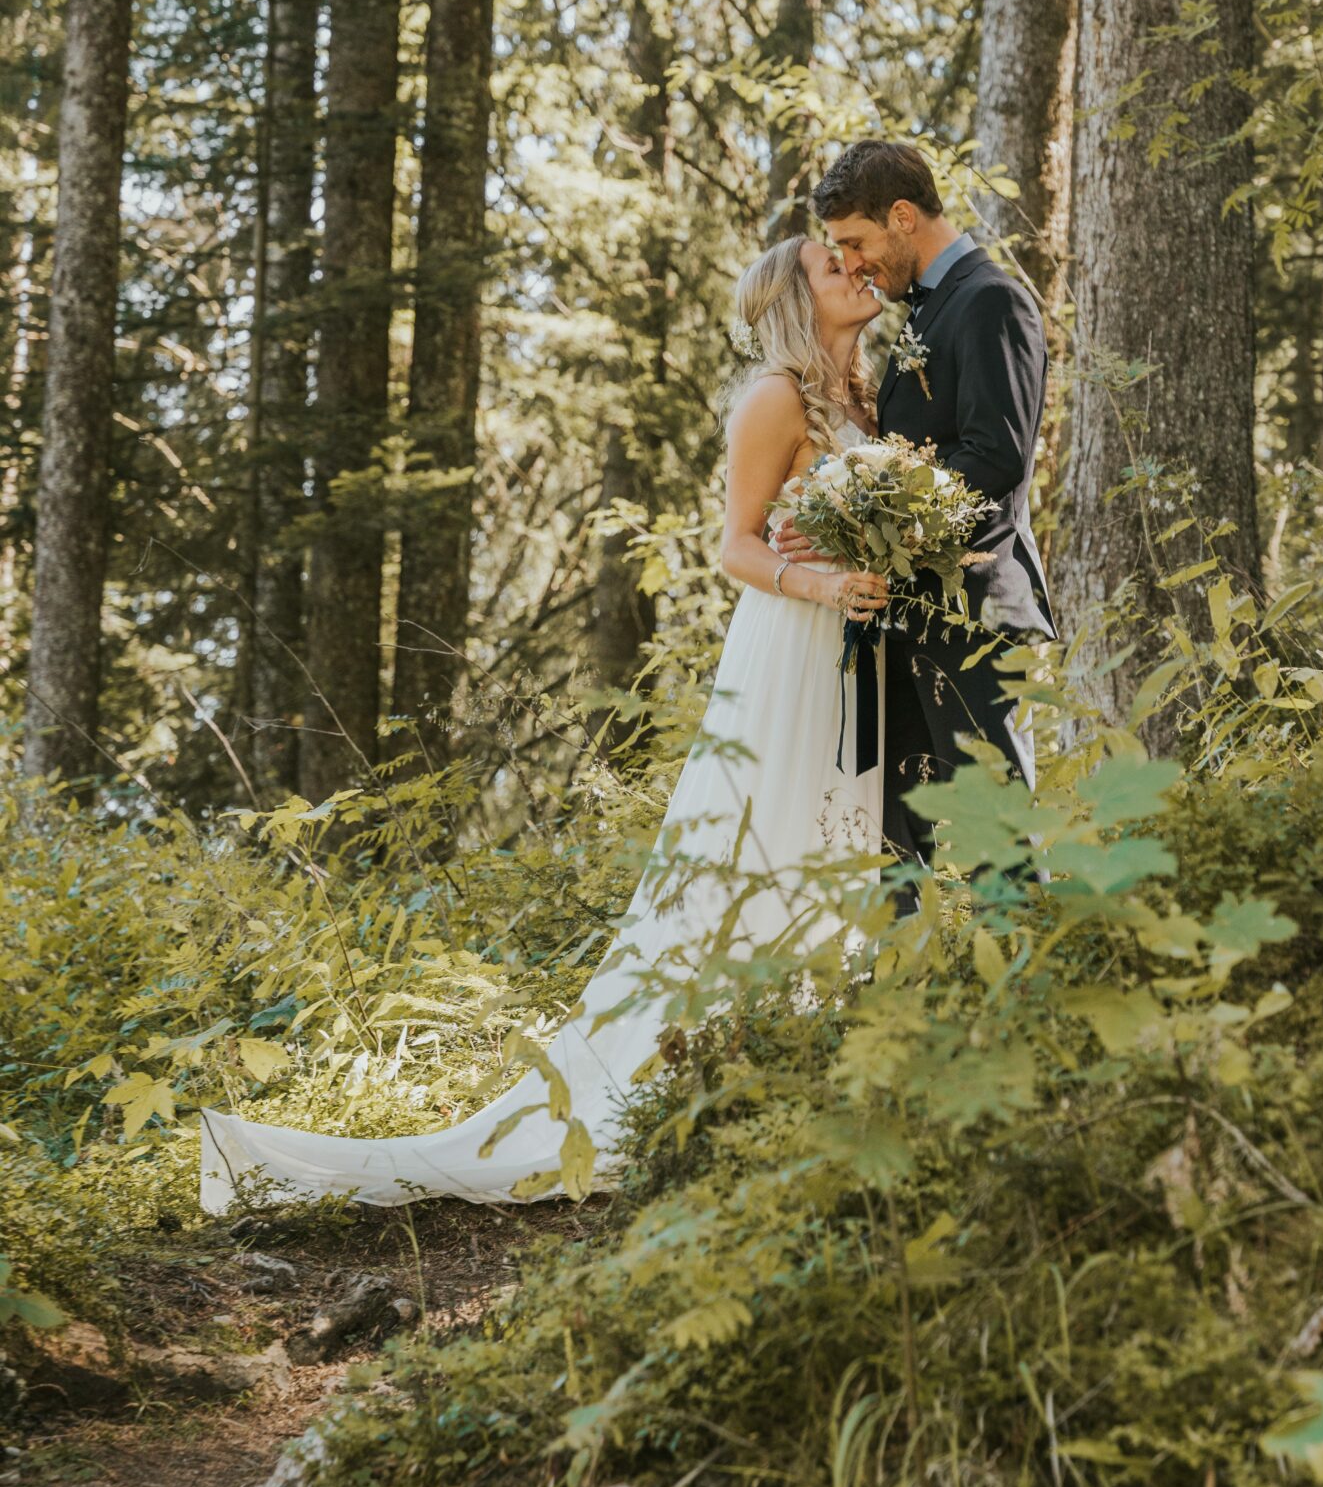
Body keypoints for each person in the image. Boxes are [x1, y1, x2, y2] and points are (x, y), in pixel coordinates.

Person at [200, 236, 891, 1213]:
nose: (854, 269)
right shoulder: (774, 397)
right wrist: (821, 582)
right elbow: (734, 546)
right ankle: (693, 1074)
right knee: (763, 837)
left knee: (834, 837)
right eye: (830, 264)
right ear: (793, 301)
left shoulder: (867, 397)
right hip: (791, 642)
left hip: (854, 651)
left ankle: (802, 1054)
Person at [806, 141, 1053, 881]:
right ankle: (910, 959)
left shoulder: (989, 300)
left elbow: (997, 456)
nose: (853, 264)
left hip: (975, 615)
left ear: (903, 217)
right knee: (896, 845)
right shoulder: (928, 309)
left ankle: (1027, 958)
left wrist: (872, 509)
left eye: (857, 242)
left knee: (998, 842)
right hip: (913, 615)